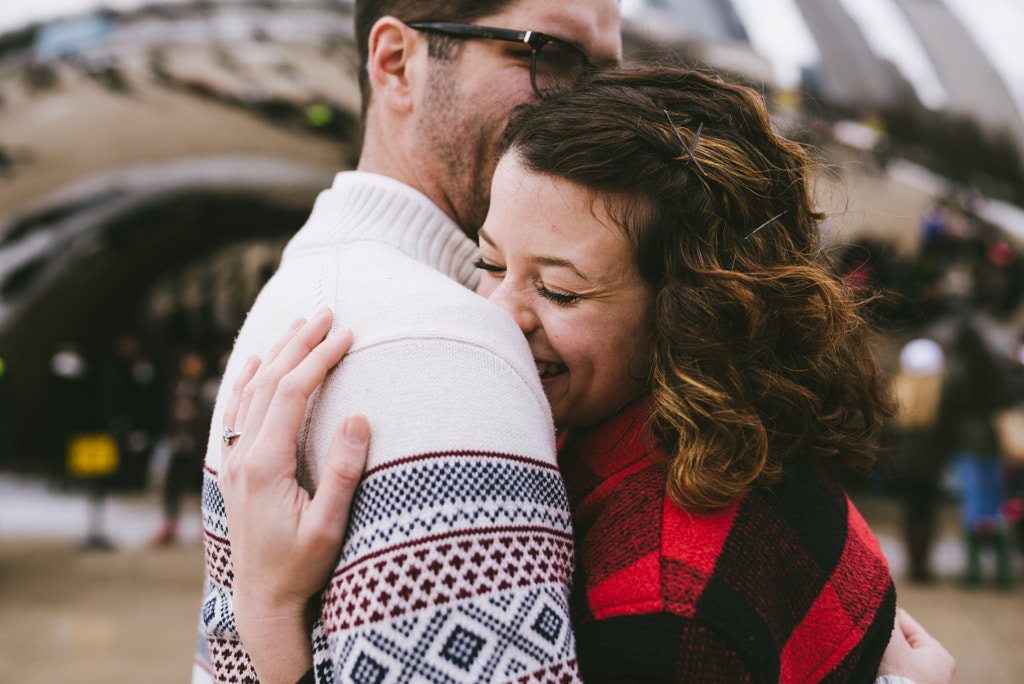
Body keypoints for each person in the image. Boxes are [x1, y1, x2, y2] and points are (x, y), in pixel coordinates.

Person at [218, 66, 956, 683]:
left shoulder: (663, 608)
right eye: (491, 263)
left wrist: (270, 606)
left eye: (560, 290)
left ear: (697, 310)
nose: (499, 317)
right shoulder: (738, 434)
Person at [193, 1, 623, 682]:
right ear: (397, 63)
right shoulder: (446, 351)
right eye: (553, 55)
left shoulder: (313, 290)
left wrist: (272, 623)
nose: (597, 103)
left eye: (608, 72)